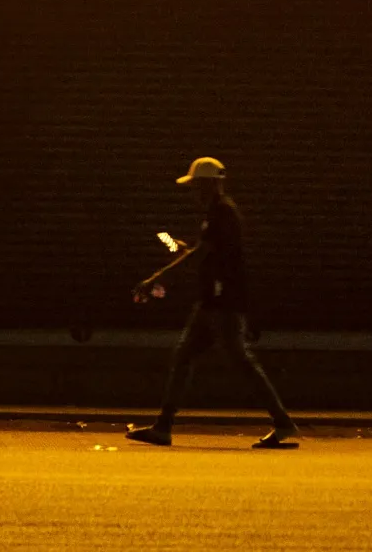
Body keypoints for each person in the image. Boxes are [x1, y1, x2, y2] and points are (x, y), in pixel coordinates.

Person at [125, 156, 301, 450]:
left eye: (197, 184)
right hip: (214, 300)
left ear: (210, 184)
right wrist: (187, 251)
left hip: (222, 302)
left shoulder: (221, 212)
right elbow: (208, 251)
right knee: (187, 357)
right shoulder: (217, 213)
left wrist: (157, 276)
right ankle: (163, 426)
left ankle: (282, 422)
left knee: (239, 361)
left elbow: (204, 254)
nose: (194, 190)